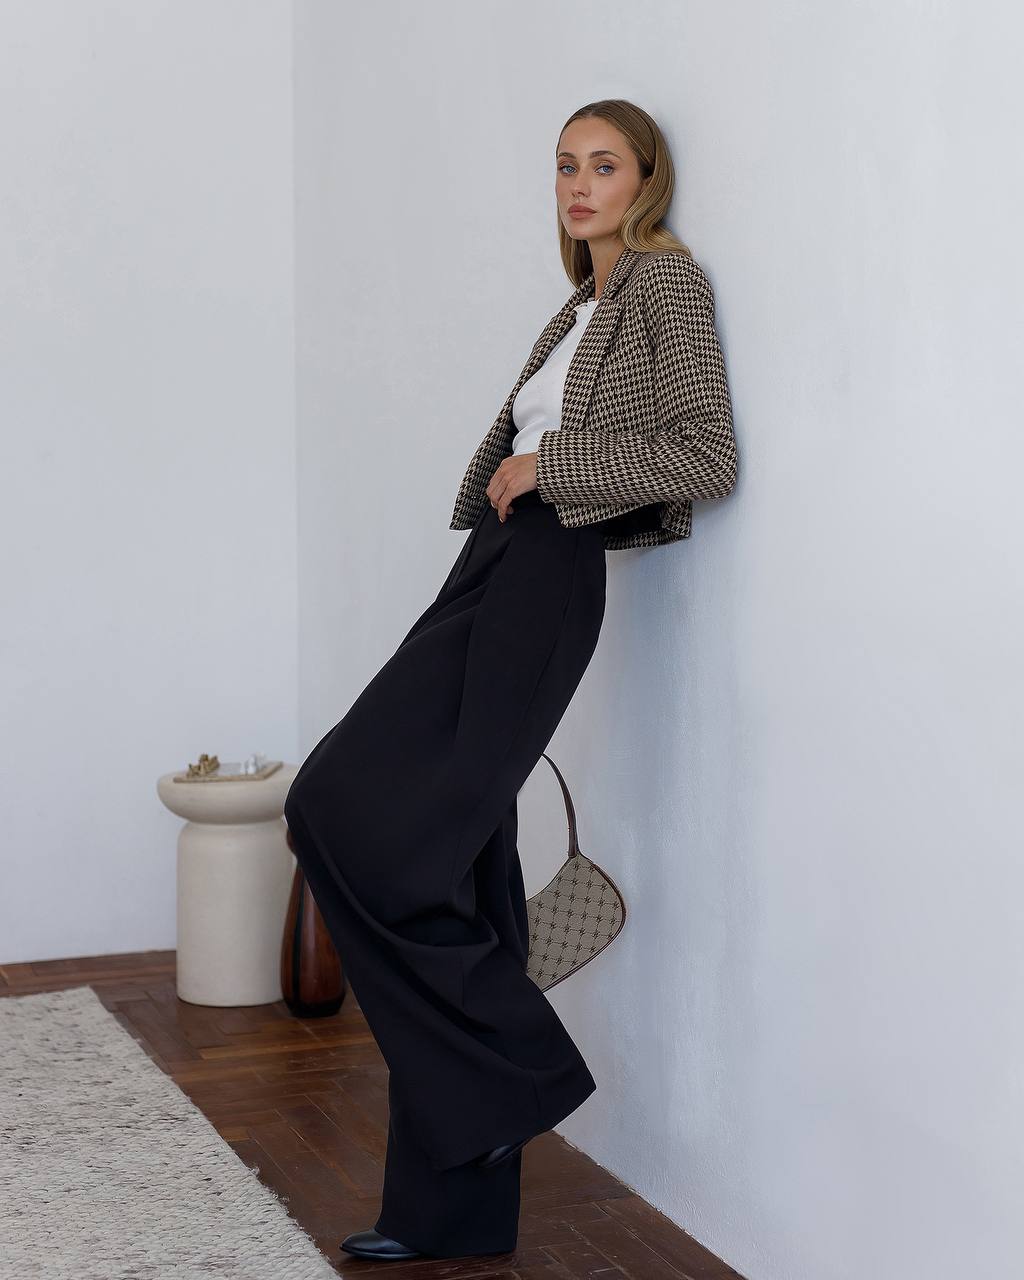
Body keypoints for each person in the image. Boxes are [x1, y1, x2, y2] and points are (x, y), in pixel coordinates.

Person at [283, 97, 737, 1264]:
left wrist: (552, 462)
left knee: (410, 841)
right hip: (491, 566)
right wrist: (524, 471)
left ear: (648, 178)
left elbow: (705, 452)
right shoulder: (576, 306)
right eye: (563, 167)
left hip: (550, 571)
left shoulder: (664, 286)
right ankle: (454, 1201)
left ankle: (516, 1071)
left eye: (602, 164)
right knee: (347, 808)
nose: (578, 184)